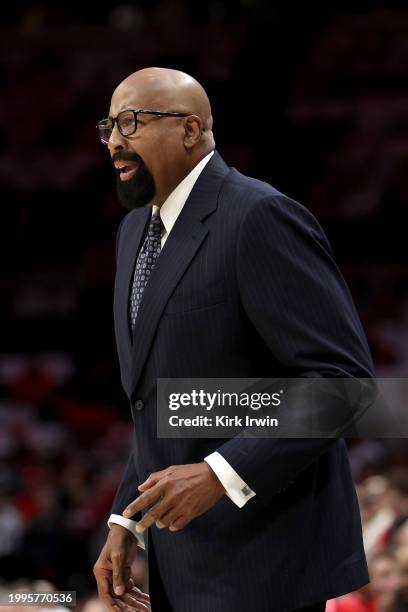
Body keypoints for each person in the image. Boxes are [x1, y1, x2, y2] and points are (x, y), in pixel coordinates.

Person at [93, 67, 375, 612]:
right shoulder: (134, 232)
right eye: (108, 126)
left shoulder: (258, 216)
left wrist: (222, 474)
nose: (115, 142)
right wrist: (126, 516)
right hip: (184, 562)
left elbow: (345, 385)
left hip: (268, 558)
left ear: (190, 129)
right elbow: (159, 402)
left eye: (131, 122)